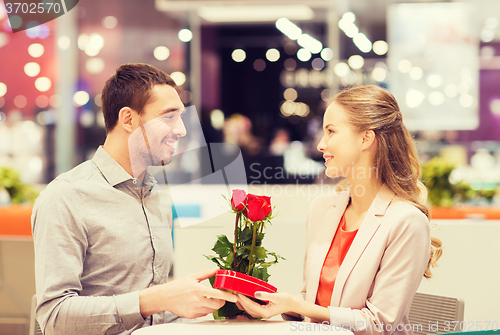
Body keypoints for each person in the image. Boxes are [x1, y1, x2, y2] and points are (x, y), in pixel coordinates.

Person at [31, 63, 236, 335]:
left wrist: (219, 310)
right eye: (168, 117)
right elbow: (54, 318)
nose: (182, 130)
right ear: (128, 120)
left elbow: (151, 319)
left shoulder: (155, 197)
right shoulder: (67, 197)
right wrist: (158, 298)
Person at [236, 85, 442, 334]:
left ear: (366, 138)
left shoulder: (406, 221)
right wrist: (275, 304)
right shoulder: (322, 209)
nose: (321, 145)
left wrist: (298, 305)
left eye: (331, 131)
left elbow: (380, 324)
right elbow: (313, 302)